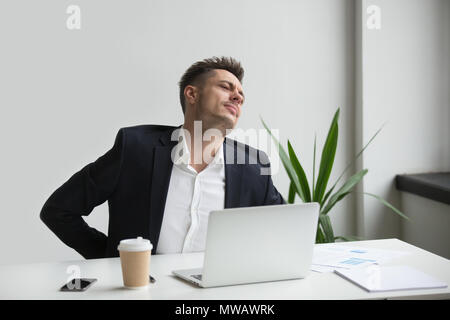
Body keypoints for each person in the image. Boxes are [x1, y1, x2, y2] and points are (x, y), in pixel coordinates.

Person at [40, 56, 285, 259]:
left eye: (241, 94)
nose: (238, 97)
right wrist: (112, 260)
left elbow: (284, 230)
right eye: (225, 87)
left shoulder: (253, 165)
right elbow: (58, 210)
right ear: (192, 94)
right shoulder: (134, 148)